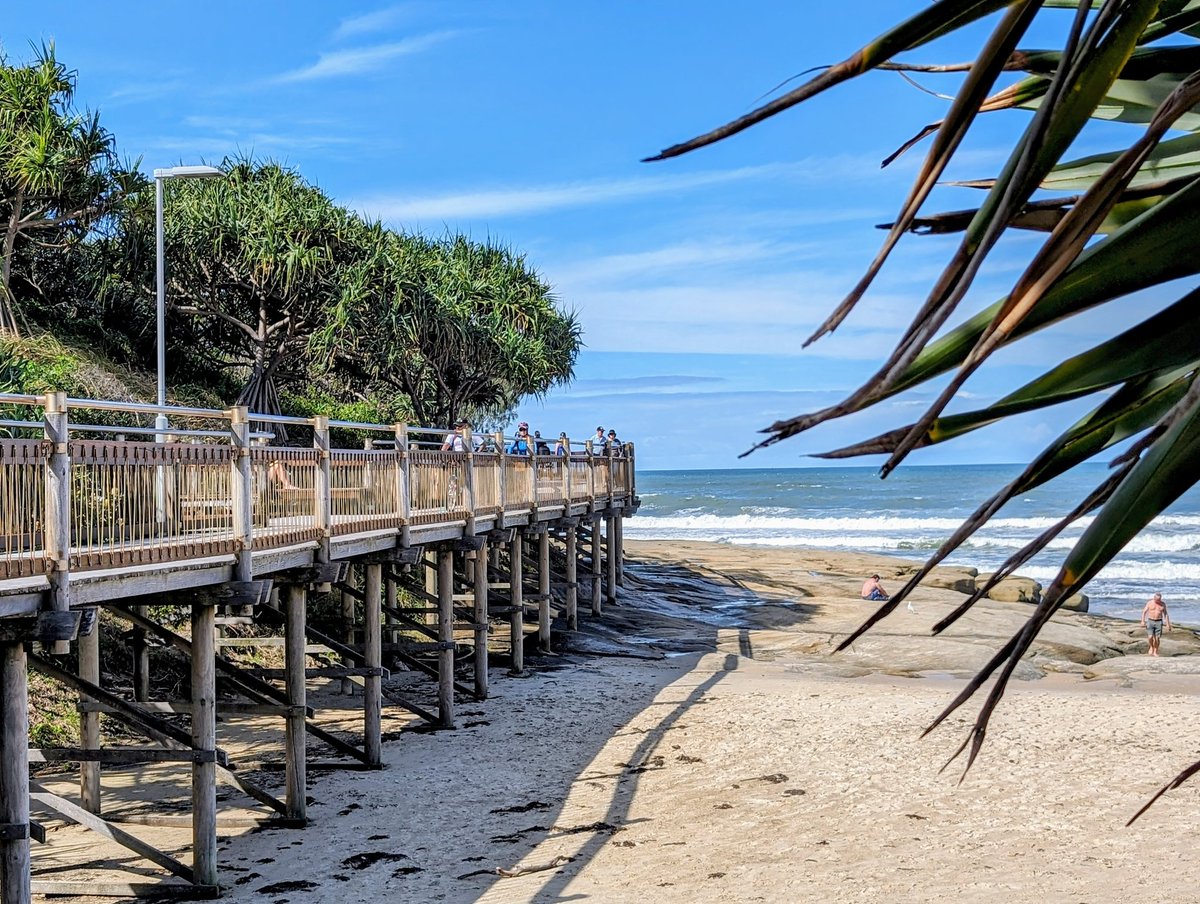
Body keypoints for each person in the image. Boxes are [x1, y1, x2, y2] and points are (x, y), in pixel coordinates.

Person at [1141, 592, 1172, 656]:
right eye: (1157, 600)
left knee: (1157, 638)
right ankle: (1151, 647)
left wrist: (1168, 624)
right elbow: (1144, 612)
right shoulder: (1149, 603)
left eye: (1159, 599)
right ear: (1154, 598)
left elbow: (1165, 614)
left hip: (1159, 621)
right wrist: (1143, 621)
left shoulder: (1163, 604)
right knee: (1150, 637)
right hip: (1150, 621)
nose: (1158, 601)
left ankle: (1155, 651)